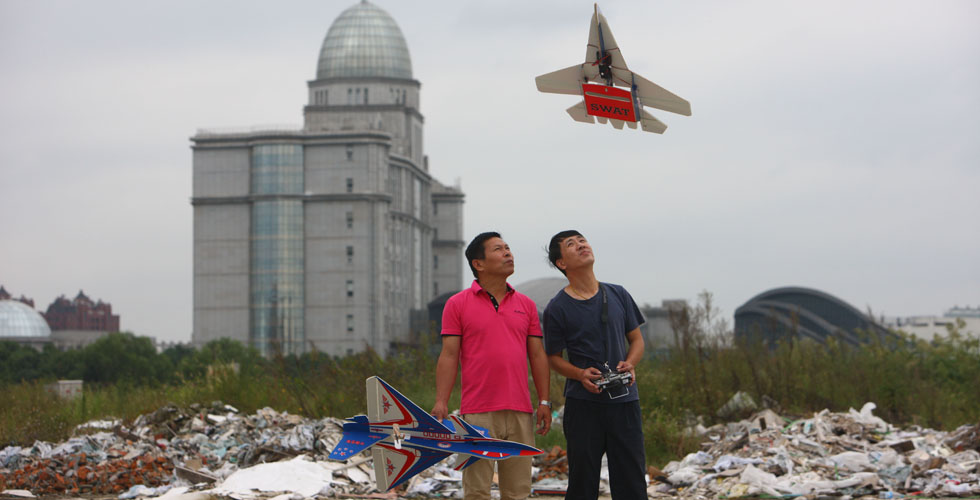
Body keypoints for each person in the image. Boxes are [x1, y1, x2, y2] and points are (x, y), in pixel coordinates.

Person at [432, 231, 552, 500]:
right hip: (477, 413)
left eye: (508, 248)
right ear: (479, 263)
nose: (508, 253)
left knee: (518, 491)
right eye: (499, 249)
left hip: (520, 411)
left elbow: (537, 356)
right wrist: (441, 400)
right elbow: (449, 356)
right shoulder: (457, 304)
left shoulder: (527, 305)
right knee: (476, 491)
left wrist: (545, 401)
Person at [543, 230, 646, 500]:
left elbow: (636, 340)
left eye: (582, 241)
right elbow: (553, 357)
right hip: (583, 405)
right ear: (561, 263)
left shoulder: (618, 294)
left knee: (631, 480)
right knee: (582, 482)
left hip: (624, 401)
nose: (581, 245)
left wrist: (631, 363)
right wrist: (579, 374)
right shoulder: (558, 307)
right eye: (571, 244)